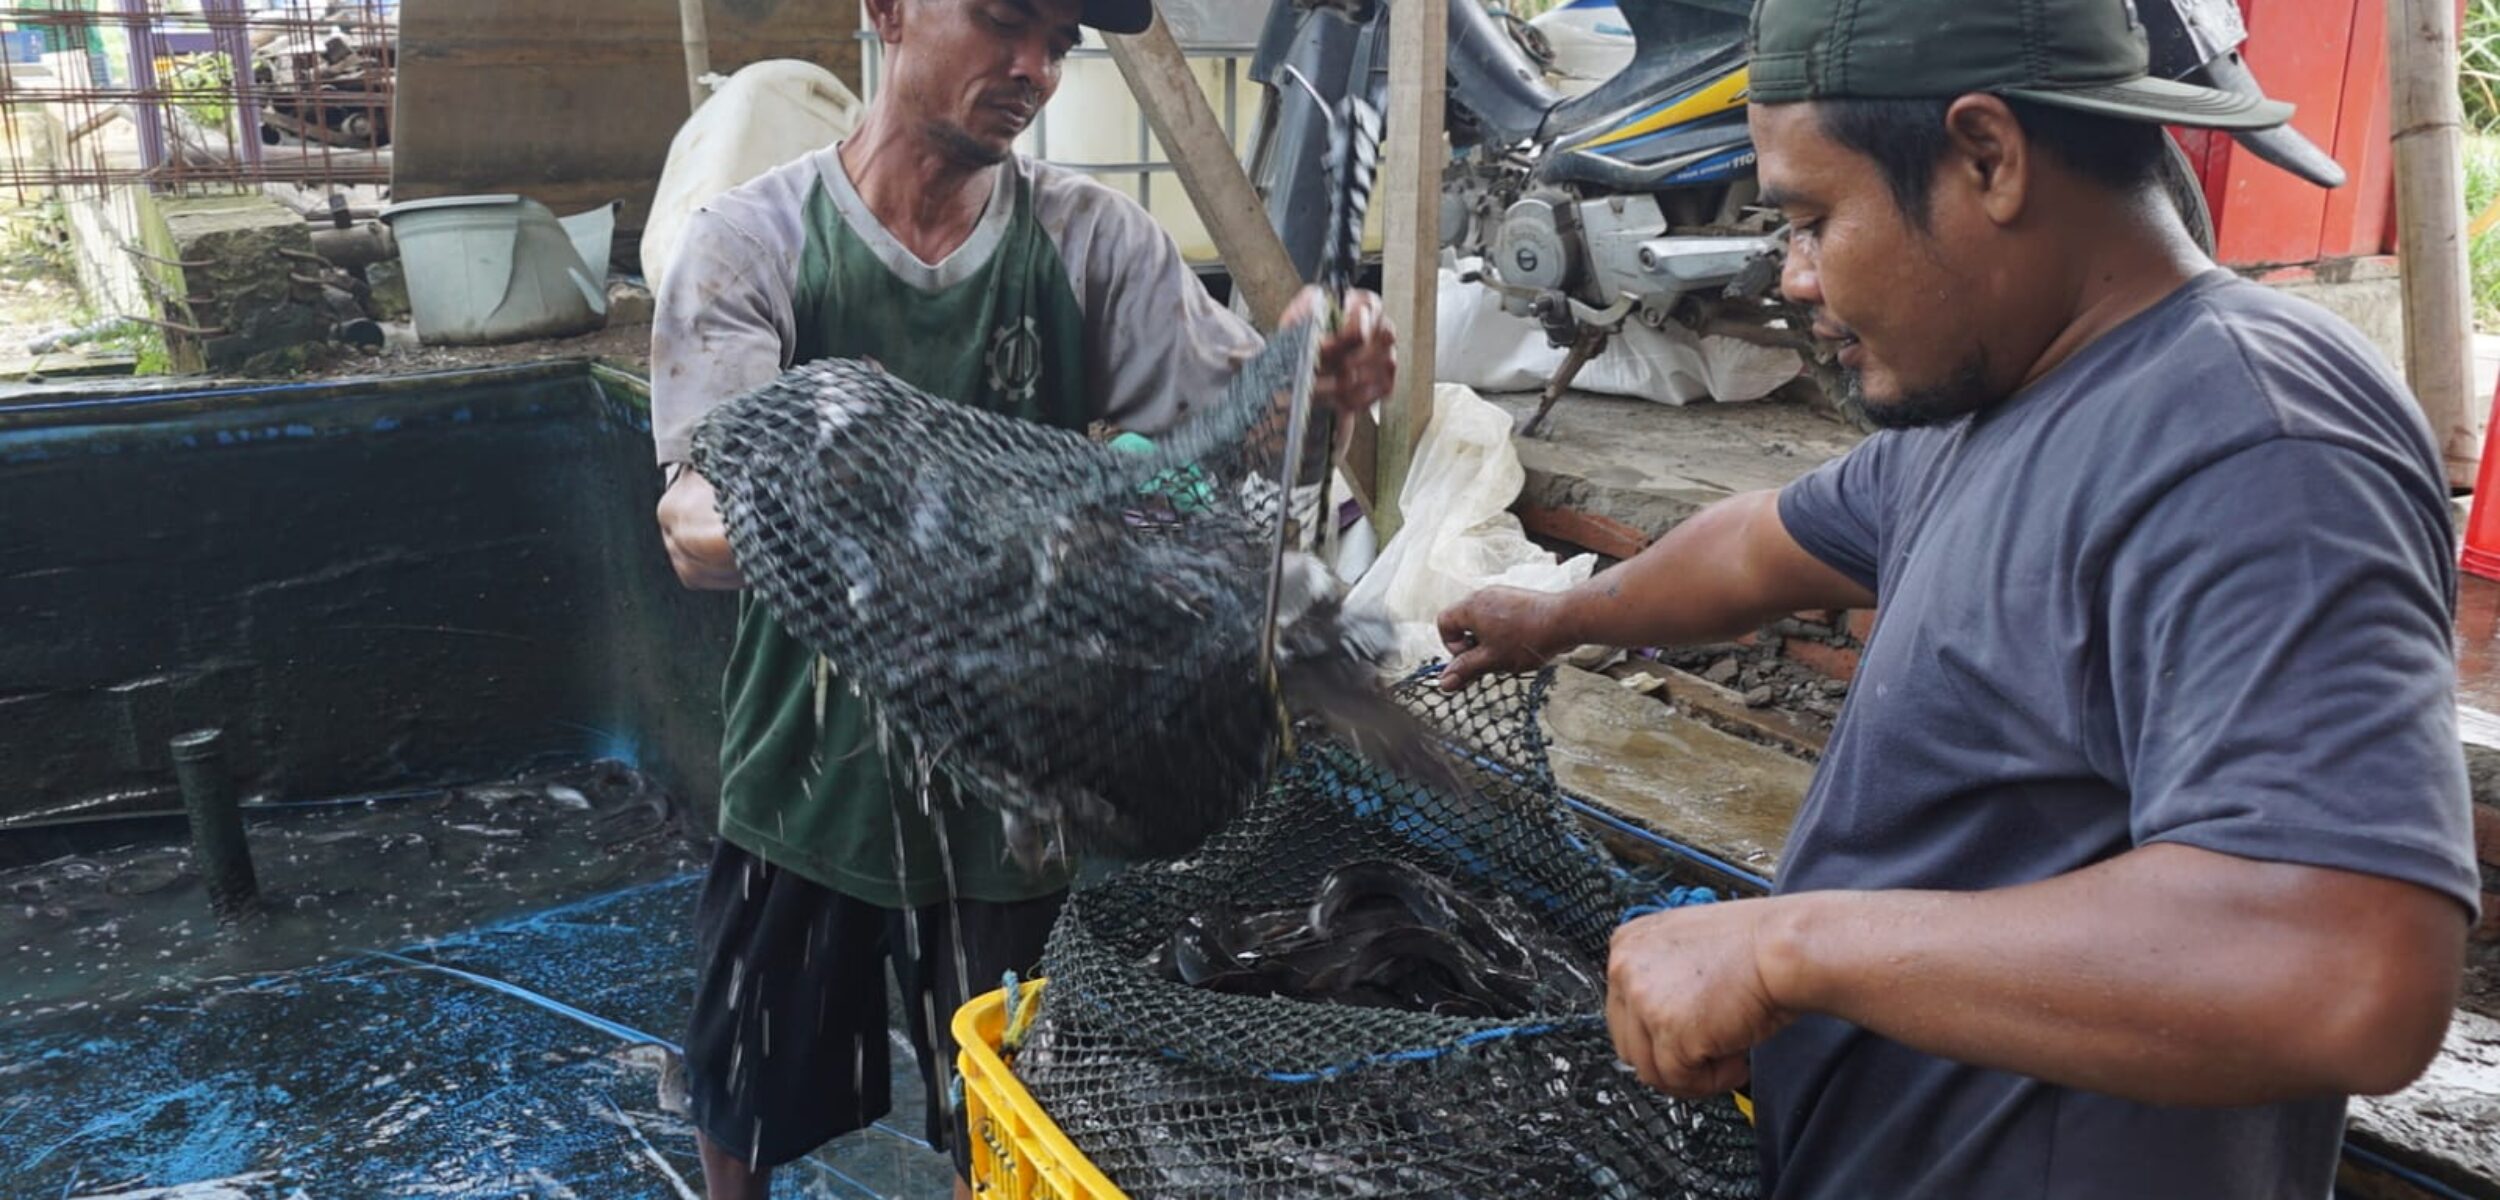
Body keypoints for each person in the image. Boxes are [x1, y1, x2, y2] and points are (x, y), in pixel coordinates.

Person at [1435, 0, 2480, 1195]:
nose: (1795, 275)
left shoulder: (2256, 444)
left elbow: (2344, 971)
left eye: (1816, 218)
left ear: (1987, 157)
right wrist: (1560, 614)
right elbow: (1761, 546)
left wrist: (1787, 947)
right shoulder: (1996, 394)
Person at [646, 0, 1397, 1195]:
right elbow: (691, 523)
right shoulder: (751, 241)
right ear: (887, 9)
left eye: (1062, 40)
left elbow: (1253, 444)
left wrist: (1315, 383)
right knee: (744, 1079)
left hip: (1021, 791)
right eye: (1005, 21)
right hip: (807, 774)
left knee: (1011, 1110)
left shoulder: (1094, 242)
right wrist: (899, 508)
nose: (1036, 68)